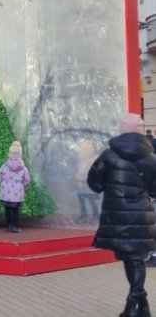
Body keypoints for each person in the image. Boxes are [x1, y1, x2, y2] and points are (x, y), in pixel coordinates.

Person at [88, 113, 156, 317]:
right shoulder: (151, 158)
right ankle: (141, 306)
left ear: (123, 129)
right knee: (133, 257)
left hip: (116, 216)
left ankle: (132, 304)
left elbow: (95, 183)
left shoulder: (109, 155)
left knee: (131, 257)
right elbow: (154, 189)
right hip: (141, 216)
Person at [0, 140, 31, 233]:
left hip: (5, 190)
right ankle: (15, 226)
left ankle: (8, 225)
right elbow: (27, 179)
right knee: (15, 210)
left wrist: (2, 182)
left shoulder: (5, 166)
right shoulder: (23, 167)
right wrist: (22, 185)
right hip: (17, 192)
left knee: (7, 209)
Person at [75, 139, 100, 223]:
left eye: (88, 148)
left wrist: (82, 178)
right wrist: (77, 176)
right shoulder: (82, 159)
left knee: (92, 200)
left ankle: (96, 215)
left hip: (90, 185)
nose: (86, 150)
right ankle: (84, 214)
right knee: (82, 199)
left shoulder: (95, 159)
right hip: (82, 185)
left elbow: (94, 172)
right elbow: (80, 170)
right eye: (84, 148)